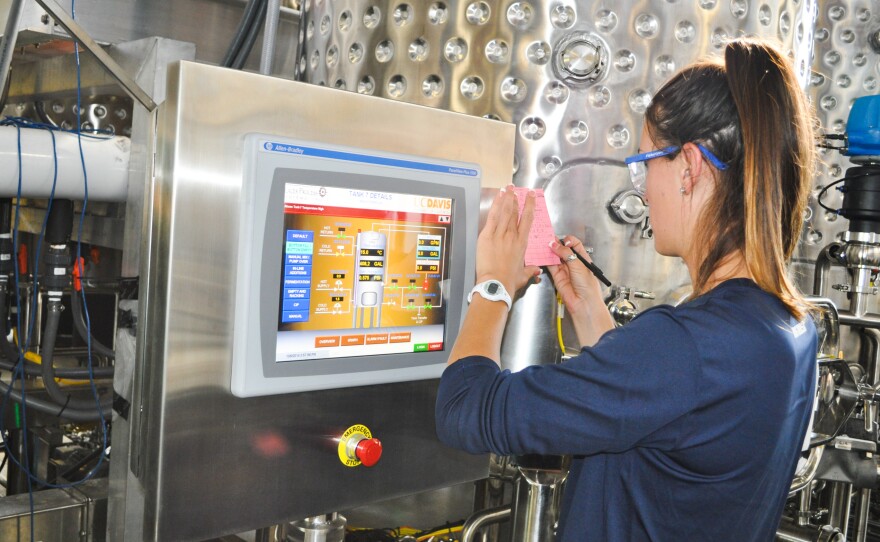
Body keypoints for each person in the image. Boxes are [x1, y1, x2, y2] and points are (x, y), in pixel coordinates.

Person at [435, 38, 818, 541]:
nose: (640, 187)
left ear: (690, 167)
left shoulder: (687, 346)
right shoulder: (789, 324)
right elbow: (666, 417)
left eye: (644, 163)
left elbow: (465, 409)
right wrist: (592, 316)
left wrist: (493, 286)